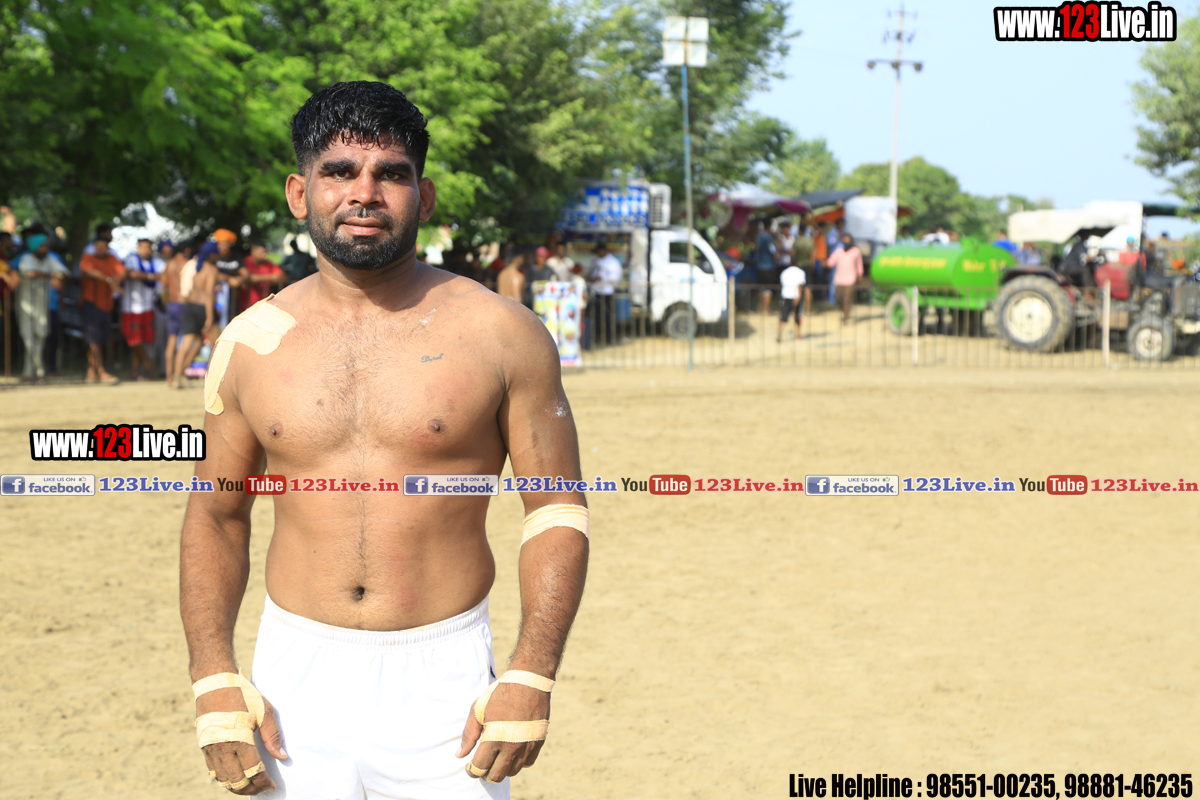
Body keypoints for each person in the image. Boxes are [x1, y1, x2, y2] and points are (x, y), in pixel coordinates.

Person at [180, 81, 588, 799]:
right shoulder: (250, 343)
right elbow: (216, 513)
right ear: (299, 194)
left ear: (423, 198)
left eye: (390, 174)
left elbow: (555, 510)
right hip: (293, 681)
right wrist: (213, 677)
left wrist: (533, 671)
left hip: (444, 682)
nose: (364, 194)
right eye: (339, 171)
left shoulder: (502, 333)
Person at [15, 233, 69, 381]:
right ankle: (34, 370)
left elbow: (62, 271)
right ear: (35, 247)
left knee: (40, 336)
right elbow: (30, 272)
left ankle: (34, 372)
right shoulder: (26, 258)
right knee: (28, 338)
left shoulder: (49, 258)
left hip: (42, 305)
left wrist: (58, 276)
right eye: (42, 246)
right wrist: (51, 276)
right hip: (26, 305)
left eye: (46, 246)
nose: (45, 249)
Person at [79, 237, 125, 383]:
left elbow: (121, 271)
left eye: (103, 246)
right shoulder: (88, 258)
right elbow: (89, 271)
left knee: (99, 340)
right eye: (98, 246)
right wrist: (109, 280)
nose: (100, 249)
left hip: (107, 305)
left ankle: (91, 370)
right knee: (93, 340)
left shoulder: (112, 259)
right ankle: (101, 371)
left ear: (107, 248)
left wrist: (116, 281)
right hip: (91, 303)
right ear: (94, 247)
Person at [174, 243, 220, 388]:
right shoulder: (211, 270)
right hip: (203, 309)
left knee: (190, 344)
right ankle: (219, 379)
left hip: (190, 307)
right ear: (213, 255)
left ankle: (177, 376)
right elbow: (209, 295)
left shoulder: (197, 268)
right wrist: (210, 317)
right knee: (219, 344)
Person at [121, 238, 165, 380]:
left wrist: (150, 276)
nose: (145, 250)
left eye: (148, 247)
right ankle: (148, 364)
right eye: (143, 247)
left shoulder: (157, 262)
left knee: (146, 341)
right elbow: (131, 274)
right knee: (135, 341)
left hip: (149, 307)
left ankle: (137, 372)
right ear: (138, 248)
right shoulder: (132, 259)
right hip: (131, 308)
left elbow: (164, 276)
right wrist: (153, 276)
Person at [163, 240, 195, 389]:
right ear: (186, 250)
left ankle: (169, 377)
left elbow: (163, 287)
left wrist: (166, 304)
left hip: (171, 304)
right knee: (191, 340)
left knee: (171, 342)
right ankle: (179, 373)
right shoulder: (188, 264)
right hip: (184, 304)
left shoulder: (168, 264)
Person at [212, 228, 248, 326]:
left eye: (226, 244)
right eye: (221, 244)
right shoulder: (214, 255)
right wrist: (229, 279)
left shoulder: (235, 256)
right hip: (216, 296)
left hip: (232, 298)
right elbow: (212, 273)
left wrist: (239, 279)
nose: (224, 247)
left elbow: (245, 274)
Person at [825, 233, 863, 324]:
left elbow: (859, 264)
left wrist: (860, 274)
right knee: (838, 298)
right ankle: (844, 311)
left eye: (847, 239)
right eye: (844, 239)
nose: (846, 241)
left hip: (851, 279)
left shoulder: (856, 251)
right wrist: (825, 262)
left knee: (848, 300)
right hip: (839, 279)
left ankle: (845, 317)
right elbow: (831, 262)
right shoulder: (839, 251)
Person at [589, 242, 622, 346]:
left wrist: (601, 278)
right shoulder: (596, 260)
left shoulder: (612, 262)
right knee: (596, 317)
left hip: (607, 292)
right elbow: (593, 273)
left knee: (608, 317)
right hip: (596, 292)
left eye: (600, 251)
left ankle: (609, 338)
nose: (599, 253)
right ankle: (597, 338)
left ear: (605, 251)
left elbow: (615, 277)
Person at [239, 241, 287, 310]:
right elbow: (247, 278)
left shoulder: (268, 264)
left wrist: (259, 278)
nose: (265, 255)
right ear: (253, 251)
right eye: (262, 252)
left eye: (265, 252)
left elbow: (281, 276)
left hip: (263, 305)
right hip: (246, 305)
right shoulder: (244, 262)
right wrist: (270, 277)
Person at [776, 260, 806, 342]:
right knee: (798, 316)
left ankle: (779, 335)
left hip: (785, 295)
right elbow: (800, 285)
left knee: (783, 316)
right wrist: (798, 297)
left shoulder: (784, 272)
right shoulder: (800, 272)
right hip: (796, 296)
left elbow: (782, 284)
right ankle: (798, 334)